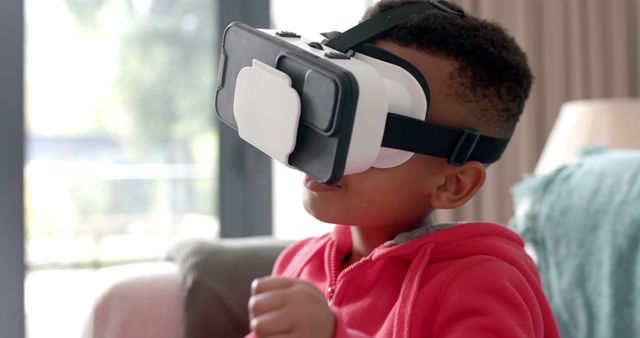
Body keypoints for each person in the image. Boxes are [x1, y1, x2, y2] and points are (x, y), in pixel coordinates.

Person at [246, 1, 560, 337]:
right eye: (334, 110)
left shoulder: (484, 283)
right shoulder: (298, 264)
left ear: (453, 184)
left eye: (371, 133)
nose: (330, 147)